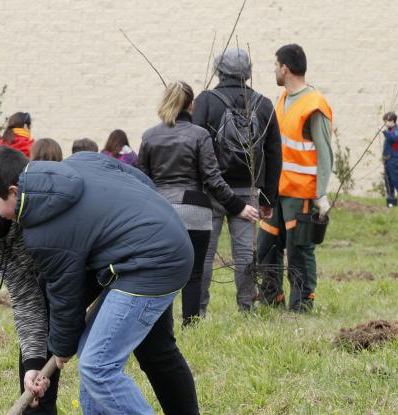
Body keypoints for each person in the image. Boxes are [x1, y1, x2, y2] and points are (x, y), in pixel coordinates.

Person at [0, 157, 210, 415]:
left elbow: (133, 181)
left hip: (132, 262)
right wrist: (35, 364)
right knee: (59, 348)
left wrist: (141, 225)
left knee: (149, 349)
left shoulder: (48, 207)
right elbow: (28, 302)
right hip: (102, 271)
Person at [139, 81, 259, 326]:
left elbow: (142, 180)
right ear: (191, 104)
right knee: (194, 271)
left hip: (161, 212)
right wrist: (239, 206)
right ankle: (191, 322)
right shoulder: (199, 135)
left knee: (162, 270)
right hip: (194, 210)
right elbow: (213, 180)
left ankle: (162, 325)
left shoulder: (149, 136)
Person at [193, 48, 282, 314]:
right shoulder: (264, 103)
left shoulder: (206, 101)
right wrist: (268, 198)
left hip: (211, 191)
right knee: (244, 254)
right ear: (248, 71)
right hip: (247, 194)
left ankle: (198, 311)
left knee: (206, 255)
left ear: (218, 71)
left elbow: (194, 144)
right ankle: (247, 308)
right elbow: (275, 152)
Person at [257, 44, 333, 312]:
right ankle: (271, 299)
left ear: (285, 69)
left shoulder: (315, 104)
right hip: (276, 190)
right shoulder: (281, 98)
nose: (274, 70)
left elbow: (325, 152)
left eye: (275, 65)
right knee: (265, 247)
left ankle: (302, 304)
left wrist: (321, 194)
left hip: (301, 192)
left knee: (299, 251)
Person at [381, 112, 398, 207]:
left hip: (393, 160)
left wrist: (384, 132)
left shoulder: (395, 131)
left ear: (392, 121)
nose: (385, 123)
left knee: (395, 180)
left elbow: (394, 139)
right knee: (388, 180)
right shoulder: (390, 130)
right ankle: (391, 200)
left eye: (386, 121)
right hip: (387, 160)